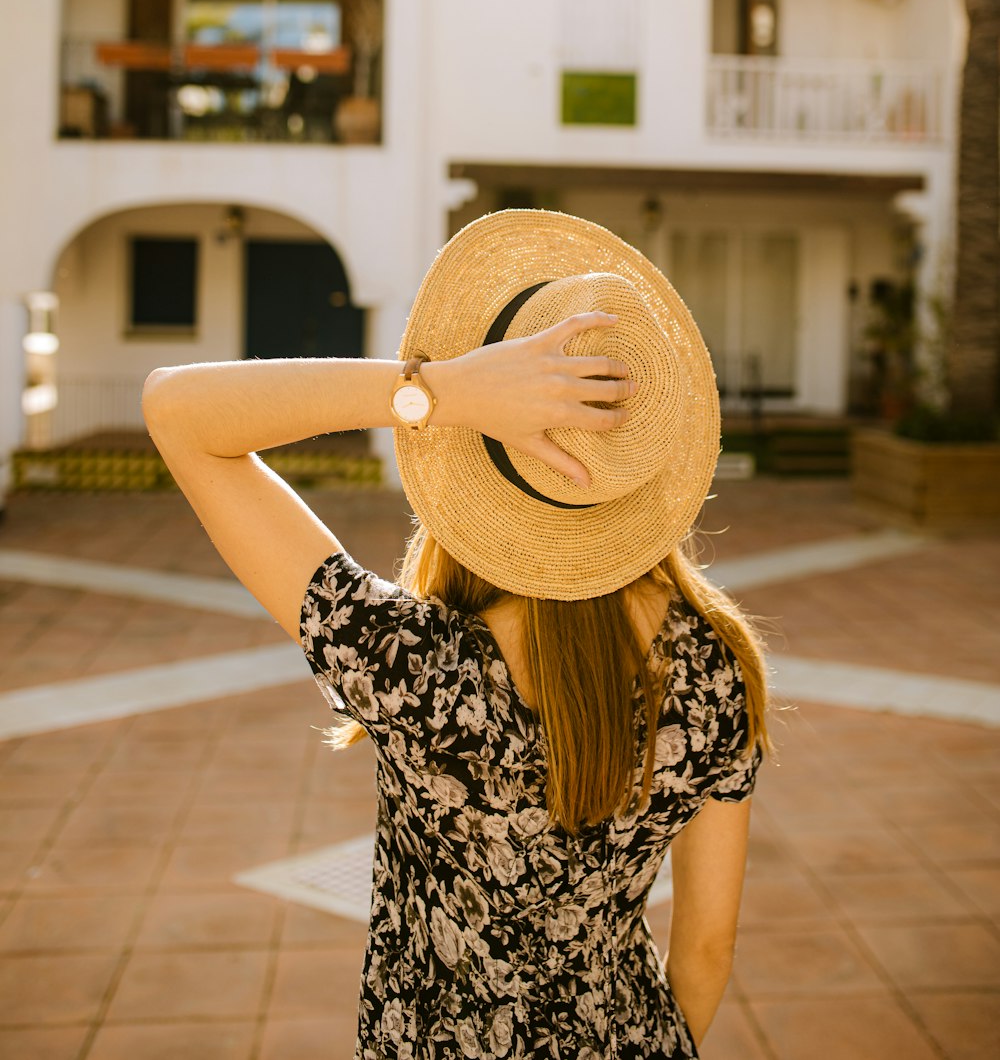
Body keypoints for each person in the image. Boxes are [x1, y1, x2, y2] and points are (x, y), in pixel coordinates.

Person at [143, 208, 769, 1059]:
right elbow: (706, 950)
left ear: (476, 459)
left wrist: (437, 390)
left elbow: (176, 410)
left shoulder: (409, 663)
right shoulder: (716, 663)